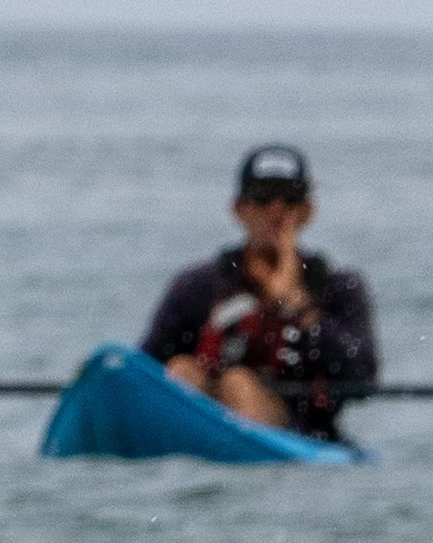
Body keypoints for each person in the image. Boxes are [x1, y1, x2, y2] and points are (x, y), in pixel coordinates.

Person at [144, 147, 381, 439]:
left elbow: (363, 380)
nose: (276, 210)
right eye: (263, 196)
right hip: (204, 413)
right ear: (239, 209)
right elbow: (147, 369)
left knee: (238, 383)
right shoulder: (198, 286)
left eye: (290, 198)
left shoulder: (338, 287)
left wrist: (298, 307)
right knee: (182, 370)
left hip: (298, 430)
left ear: (307, 211)